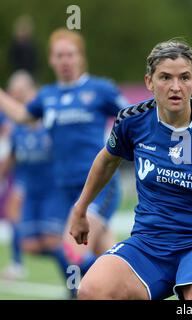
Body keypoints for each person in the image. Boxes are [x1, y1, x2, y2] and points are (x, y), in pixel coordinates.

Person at [69, 40, 192, 300]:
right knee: (92, 290)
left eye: (184, 78)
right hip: (150, 241)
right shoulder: (132, 121)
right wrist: (81, 209)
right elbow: (106, 160)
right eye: (165, 78)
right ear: (149, 82)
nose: (175, 87)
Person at [0, 29, 127, 293]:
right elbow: (23, 116)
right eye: (60, 55)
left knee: (72, 252)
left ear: (81, 58)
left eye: (70, 54)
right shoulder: (47, 96)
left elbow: (131, 117)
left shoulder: (99, 89)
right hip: (66, 190)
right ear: (51, 60)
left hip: (98, 186)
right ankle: (128, 286)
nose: (65, 60)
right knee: (108, 258)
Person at [0, 70, 61, 280]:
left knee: (52, 240)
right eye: (12, 93)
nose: (15, 97)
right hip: (28, 185)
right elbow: (13, 155)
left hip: (54, 189)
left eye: (19, 92)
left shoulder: (50, 120)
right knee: (31, 244)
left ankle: (77, 276)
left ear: (31, 91)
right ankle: (19, 262)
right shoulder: (16, 127)